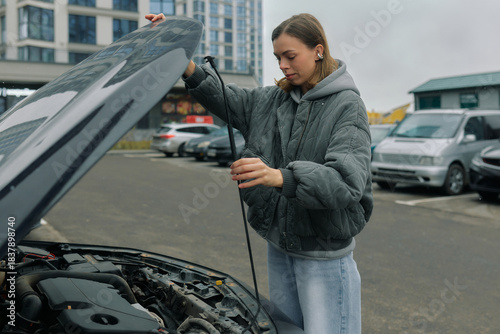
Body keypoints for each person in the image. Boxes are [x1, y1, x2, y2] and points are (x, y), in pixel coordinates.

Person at [147, 13, 373, 334]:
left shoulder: (347, 107)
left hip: (323, 258)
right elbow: (225, 97)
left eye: (289, 56)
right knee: (286, 330)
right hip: (279, 248)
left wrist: (281, 177)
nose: (282, 64)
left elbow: (347, 182)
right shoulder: (271, 99)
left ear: (318, 51)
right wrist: (185, 61)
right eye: (277, 57)